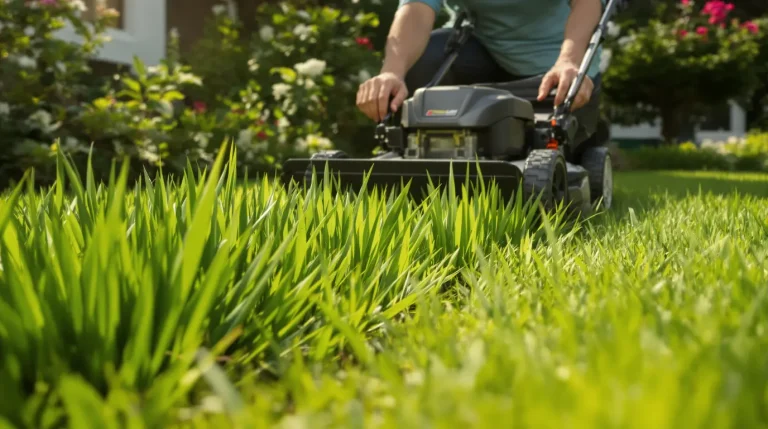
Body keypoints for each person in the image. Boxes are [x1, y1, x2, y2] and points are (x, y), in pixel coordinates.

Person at [356, 0, 605, 148]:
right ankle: (416, 150)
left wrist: (568, 61)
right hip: (484, 50)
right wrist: (392, 72)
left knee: (555, 145)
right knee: (425, 58)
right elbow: (416, 10)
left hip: (556, 61)